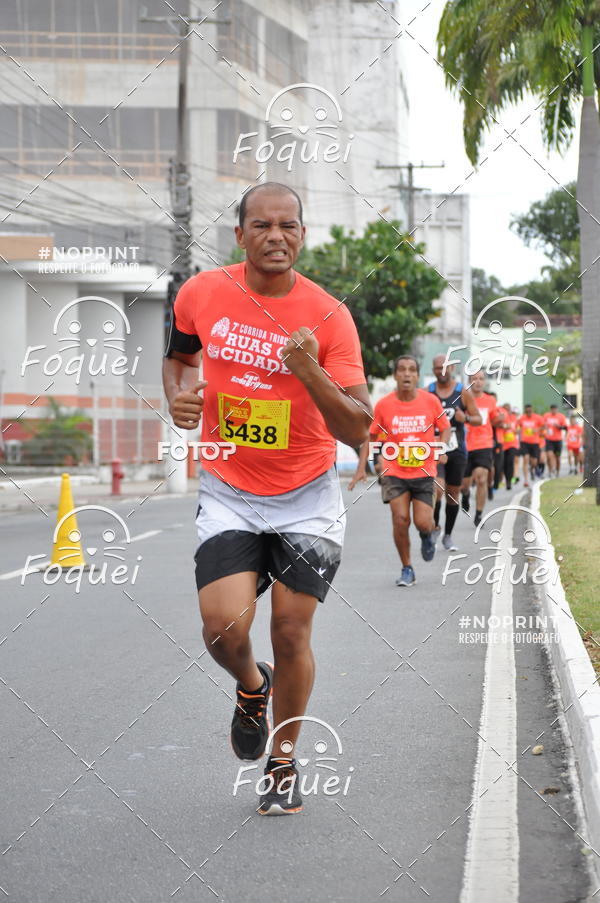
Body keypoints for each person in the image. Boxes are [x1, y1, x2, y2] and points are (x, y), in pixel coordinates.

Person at [162, 182, 371, 815]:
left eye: (288, 226)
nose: (275, 235)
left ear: (302, 235)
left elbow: (358, 427)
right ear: (240, 235)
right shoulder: (201, 293)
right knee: (223, 628)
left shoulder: (330, 315)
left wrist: (309, 372)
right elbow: (178, 358)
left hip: (307, 492)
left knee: (289, 628)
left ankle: (282, 760)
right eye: (261, 225)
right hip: (228, 486)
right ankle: (252, 690)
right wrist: (178, 398)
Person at [350, 355, 451, 586]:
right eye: (402, 370)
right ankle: (407, 568)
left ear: (417, 375)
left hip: (424, 471)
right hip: (394, 471)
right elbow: (371, 437)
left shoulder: (430, 401)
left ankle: (428, 534)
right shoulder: (384, 405)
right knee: (400, 519)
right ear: (395, 375)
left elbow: (445, 428)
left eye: (412, 370)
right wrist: (362, 467)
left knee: (422, 522)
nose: (407, 374)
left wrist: (441, 449)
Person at [427, 354, 481, 550]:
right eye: (437, 367)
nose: (441, 371)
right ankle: (435, 528)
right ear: (433, 370)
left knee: (452, 494)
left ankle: (448, 535)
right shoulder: (428, 392)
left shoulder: (462, 392)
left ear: (451, 369)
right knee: (436, 489)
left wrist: (464, 417)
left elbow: (478, 419)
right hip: (435, 449)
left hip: (457, 450)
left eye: (445, 367)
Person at [460, 371, 502, 527]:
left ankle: (478, 514)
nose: (477, 382)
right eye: (474, 379)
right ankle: (465, 494)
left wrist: (499, 420)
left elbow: (495, 420)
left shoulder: (490, 400)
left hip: (483, 444)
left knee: (481, 478)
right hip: (464, 445)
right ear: (469, 381)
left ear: (484, 382)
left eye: (481, 379)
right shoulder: (463, 398)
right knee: (464, 484)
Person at [517, 403, 544, 487]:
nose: (529, 412)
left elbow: (544, 426)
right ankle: (526, 480)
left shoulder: (537, 418)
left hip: (535, 442)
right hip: (524, 442)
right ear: (525, 411)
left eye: (530, 411)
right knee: (525, 459)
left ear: (532, 410)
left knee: (534, 462)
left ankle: (532, 469)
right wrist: (518, 431)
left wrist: (537, 429)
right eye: (527, 411)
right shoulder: (522, 418)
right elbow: (518, 426)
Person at [543, 404, 568, 477]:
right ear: (550, 410)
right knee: (549, 455)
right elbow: (542, 425)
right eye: (552, 409)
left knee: (557, 457)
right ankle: (551, 470)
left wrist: (559, 426)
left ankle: (557, 472)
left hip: (558, 441)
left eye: (555, 409)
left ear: (557, 409)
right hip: (549, 440)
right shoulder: (546, 416)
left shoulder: (561, 416)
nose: (554, 410)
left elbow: (565, 428)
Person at [501, 403, 519, 489]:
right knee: (504, 463)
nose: (507, 411)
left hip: (512, 443)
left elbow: (518, 429)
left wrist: (516, 431)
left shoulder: (514, 418)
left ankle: (509, 481)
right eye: (505, 409)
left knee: (510, 461)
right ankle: (506, 478)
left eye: (508, 409)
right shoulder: (501, 418)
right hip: (503, 443)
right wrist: (504, 426)